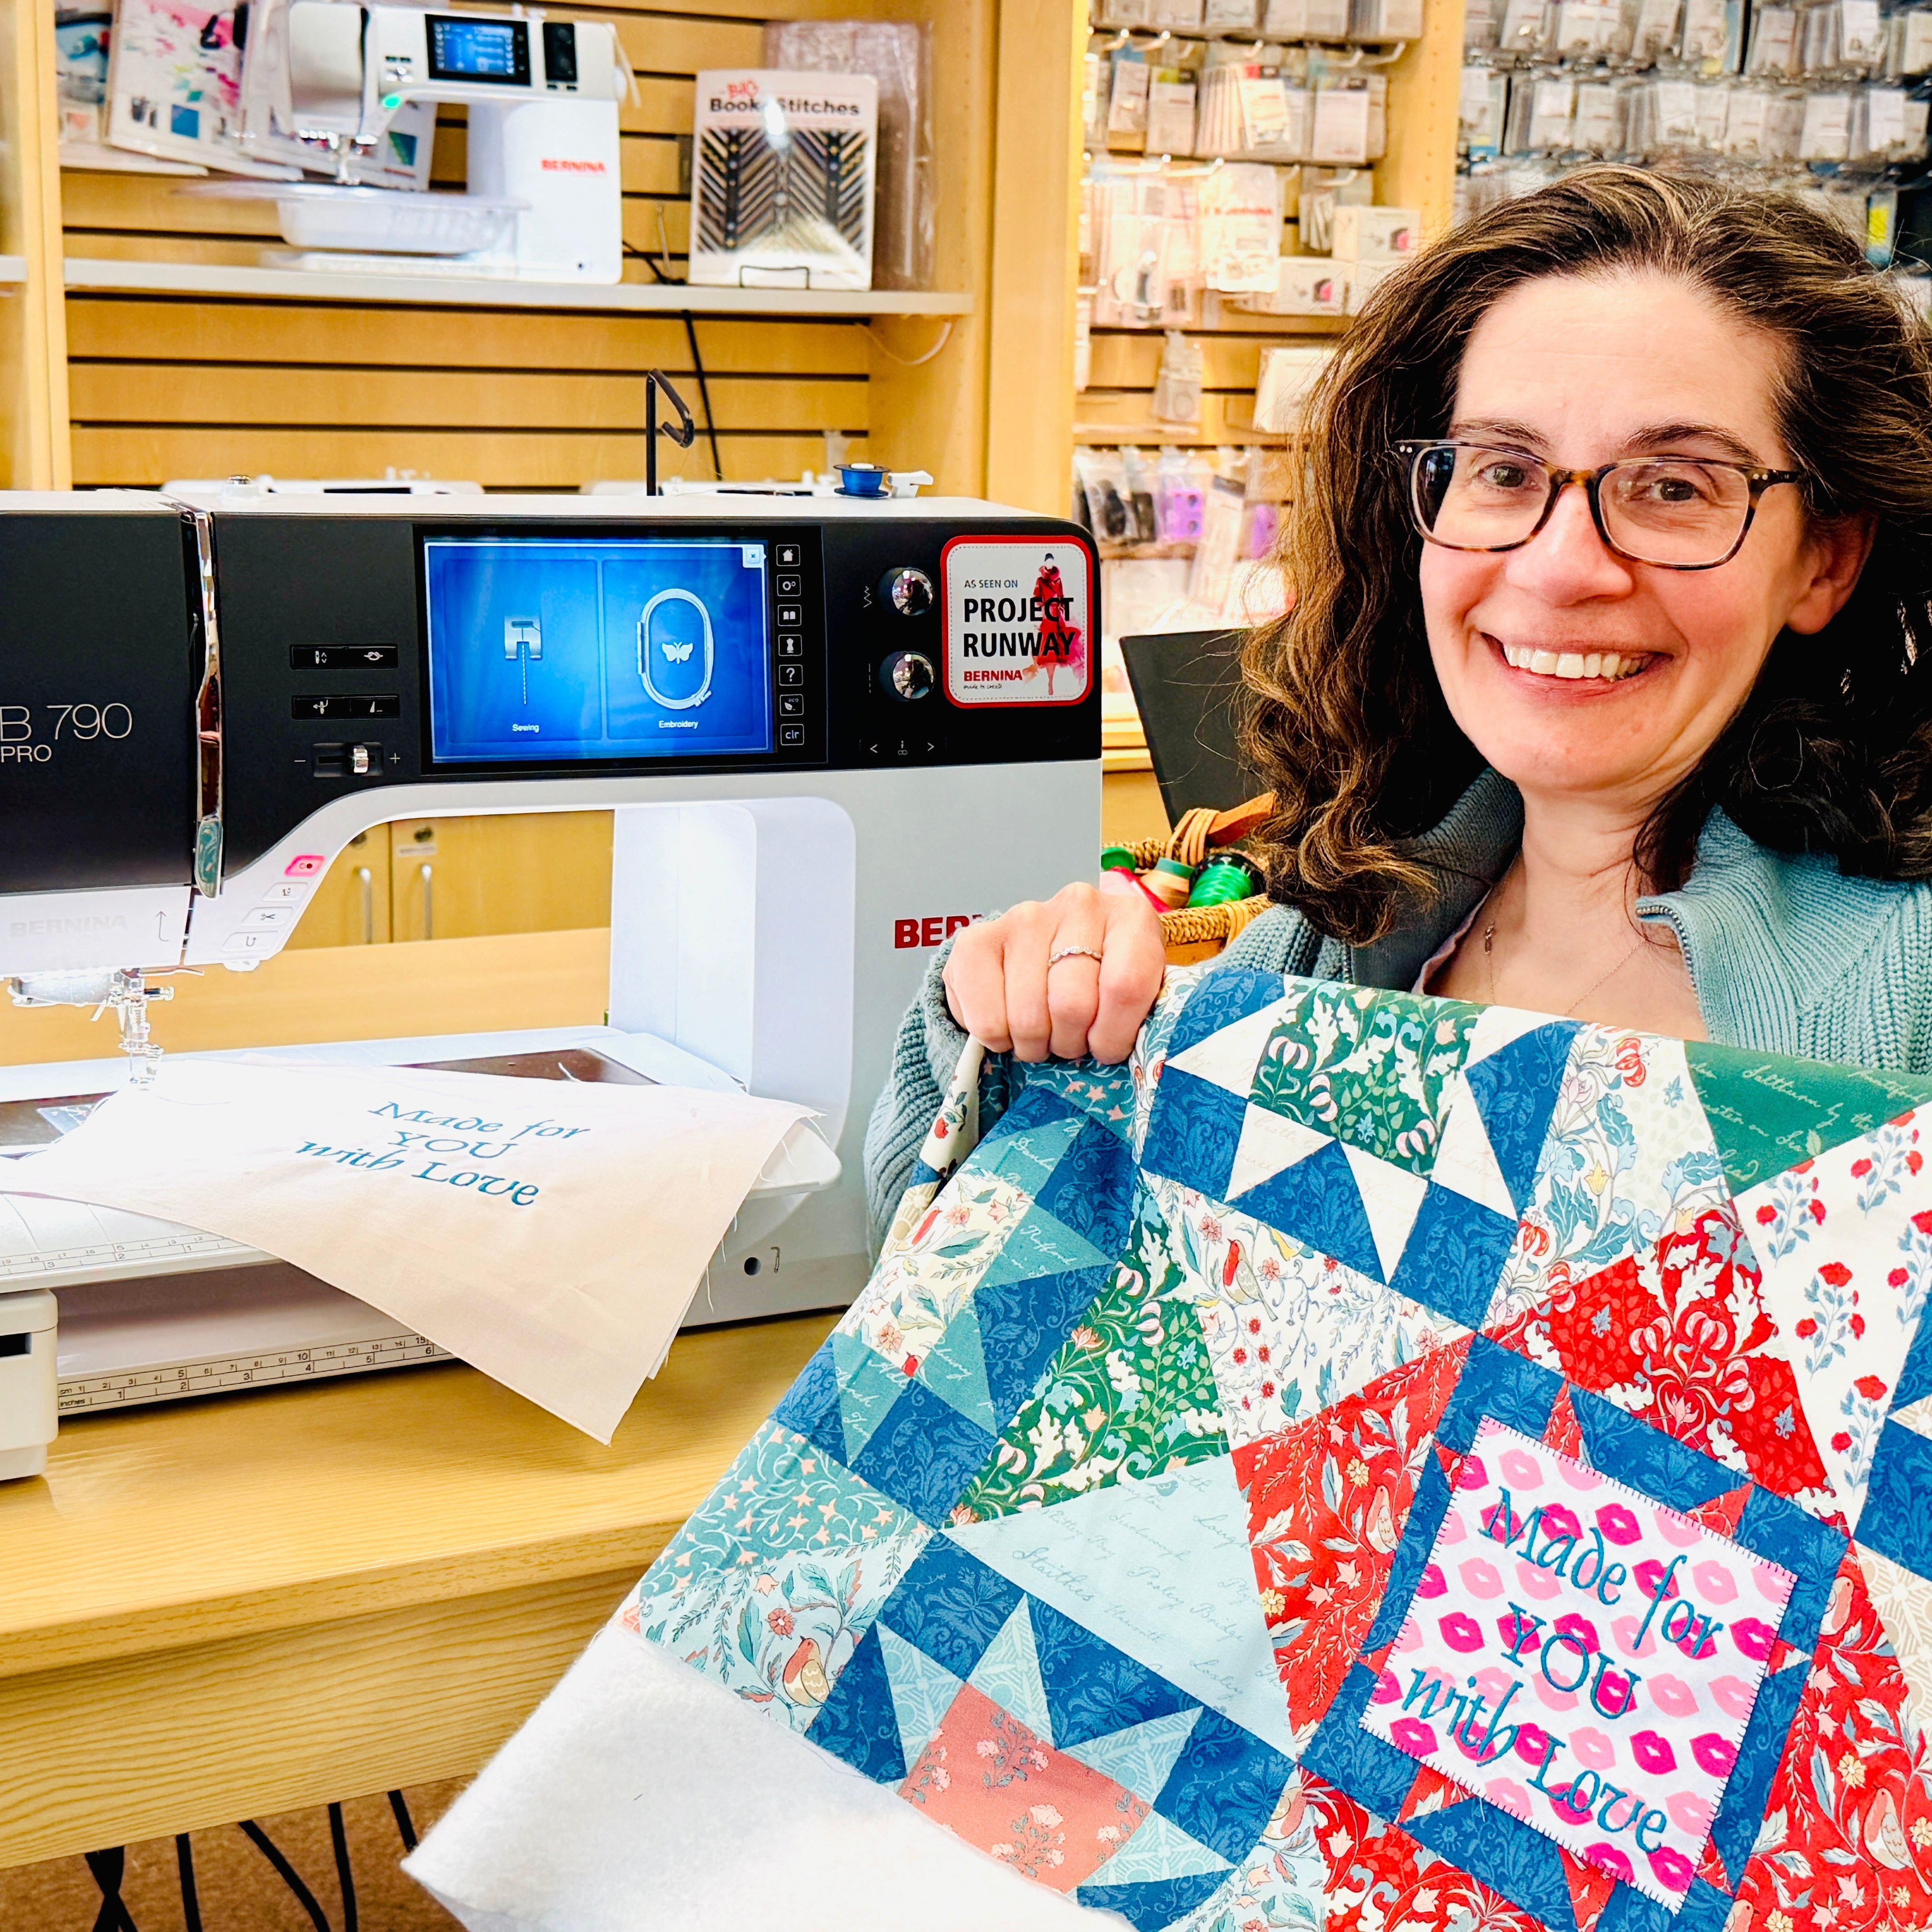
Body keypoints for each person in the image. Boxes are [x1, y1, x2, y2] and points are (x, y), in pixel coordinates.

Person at [864, 166, 1932, 1251]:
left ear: (1825, 562)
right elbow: (947, 1263)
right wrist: (1002, 1012)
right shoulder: (1346, 939)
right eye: (1503, 471)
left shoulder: (1907, 1000)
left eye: (1675, 486)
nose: (1562, 569)